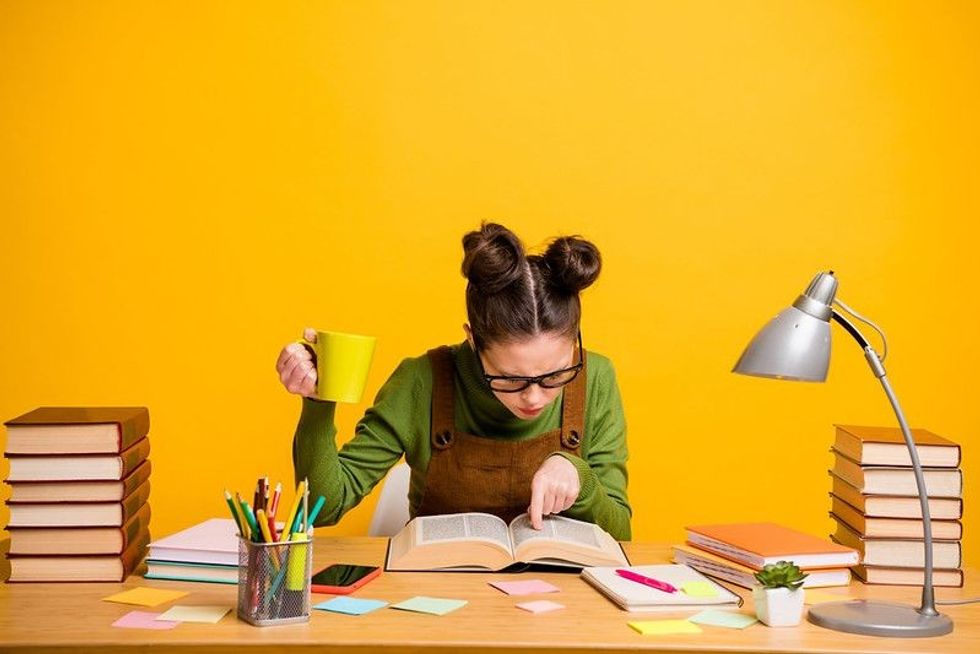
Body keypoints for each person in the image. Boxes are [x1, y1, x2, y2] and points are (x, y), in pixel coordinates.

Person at [276, 223, 631, 539]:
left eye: (555, 375)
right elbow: (319, 511)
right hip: (439, 595)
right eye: (510, 379)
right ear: (473, 340)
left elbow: (622, 534)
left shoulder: (596, 378)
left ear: (575, 341)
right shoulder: (422, 380)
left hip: (563, 599)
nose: (535, 398)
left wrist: (578, 475)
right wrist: (317, 403)